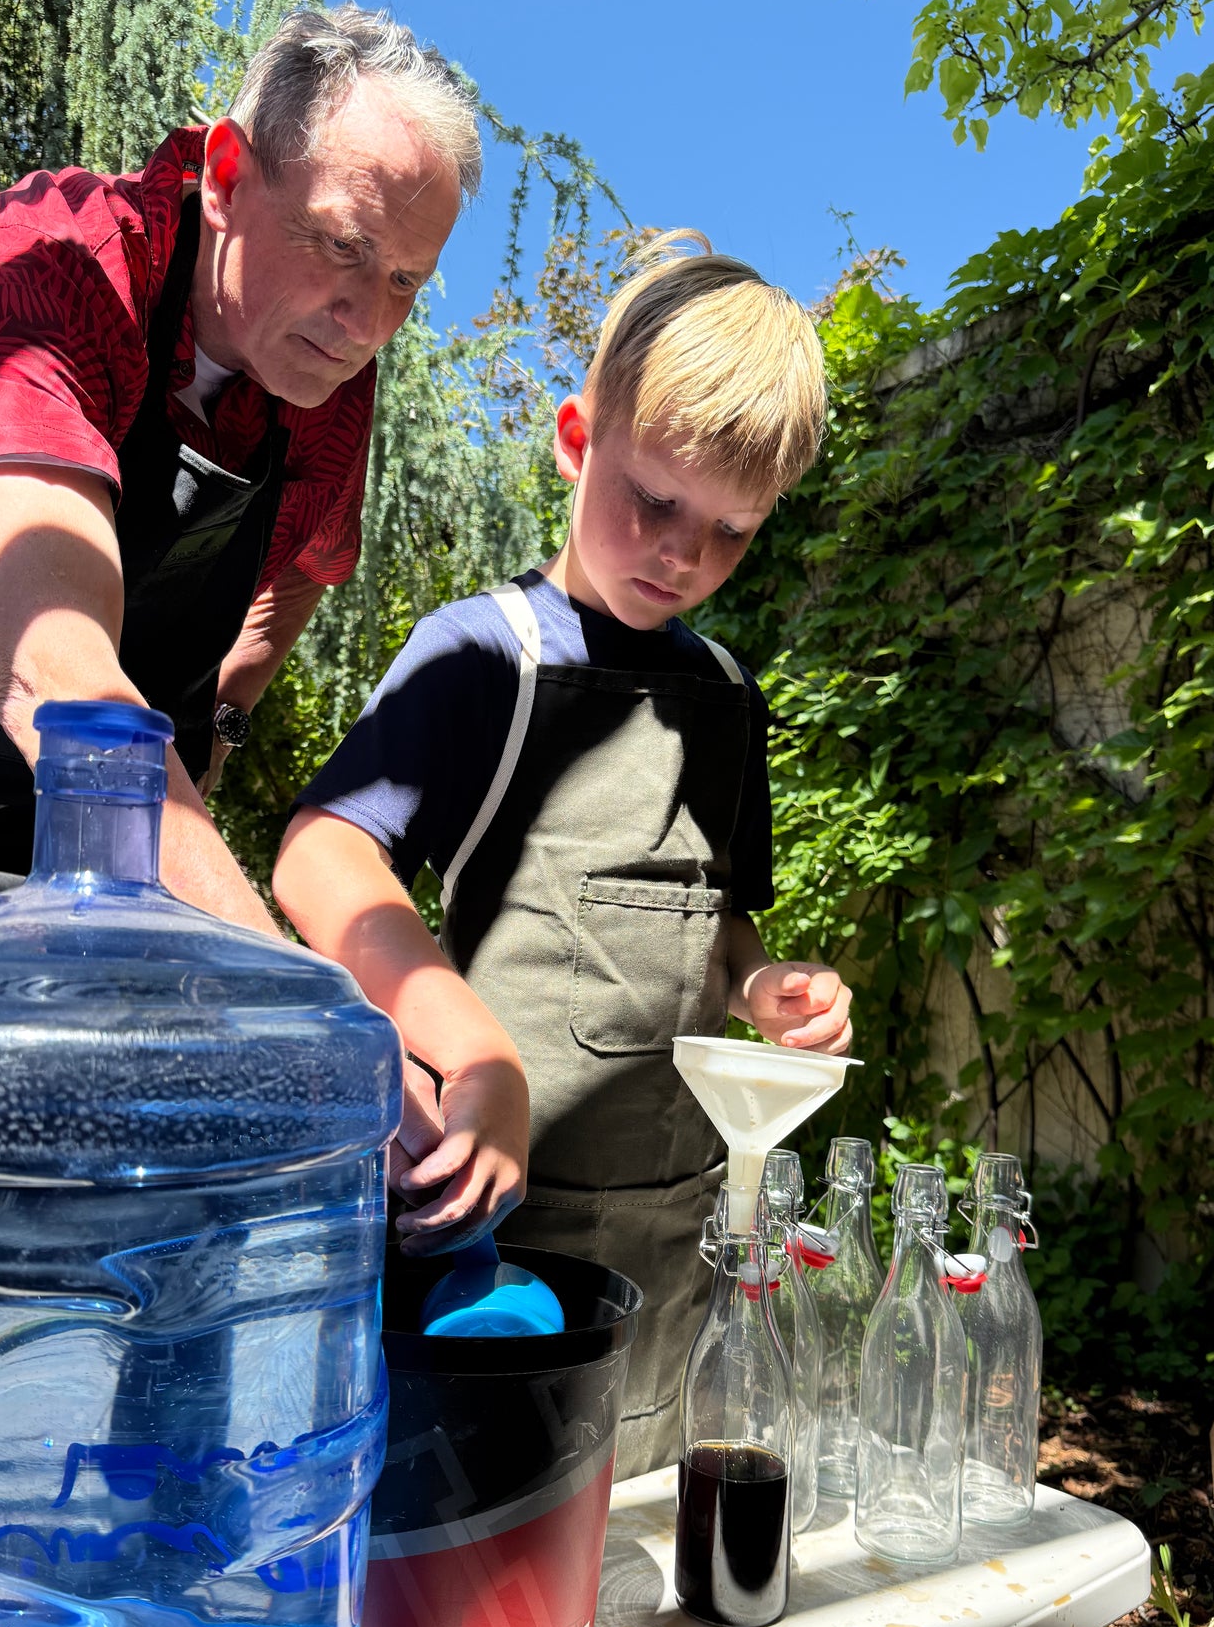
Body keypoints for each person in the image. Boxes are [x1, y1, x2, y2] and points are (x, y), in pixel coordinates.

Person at [273, 235, 854, 1476]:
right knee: (489, 1536)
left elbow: (719, 914)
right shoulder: (484, 657)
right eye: (653, 499)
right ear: (575, 438)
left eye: (729, 531)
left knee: (639, 1529)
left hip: (676, 1227)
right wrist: (459, 1042)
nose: (681, 556)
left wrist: (760, 987)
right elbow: (321, 855)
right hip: (500, 1242)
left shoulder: (728, 695)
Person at [0, 4, 476, 949]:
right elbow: (58, 676)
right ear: (228, 177)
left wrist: (222, 718)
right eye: (342, 246)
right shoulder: (48, 268)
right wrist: (276, 976)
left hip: (85, 845)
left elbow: (312, 560)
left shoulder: (330, 388)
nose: (367, 321)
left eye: (406, 280)